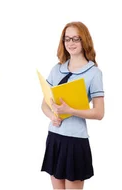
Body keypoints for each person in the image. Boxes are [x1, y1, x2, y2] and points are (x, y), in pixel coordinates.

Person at [40, 21, 105, 190]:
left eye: (76, 38)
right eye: (67, 39)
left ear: (85, 41)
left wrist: (71, 111)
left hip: (75, 141)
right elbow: (44, 104)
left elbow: (99, 113)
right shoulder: (57, 69)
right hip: (55, 137)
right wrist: (52, 115)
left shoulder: (94, 73)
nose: (71, 43)